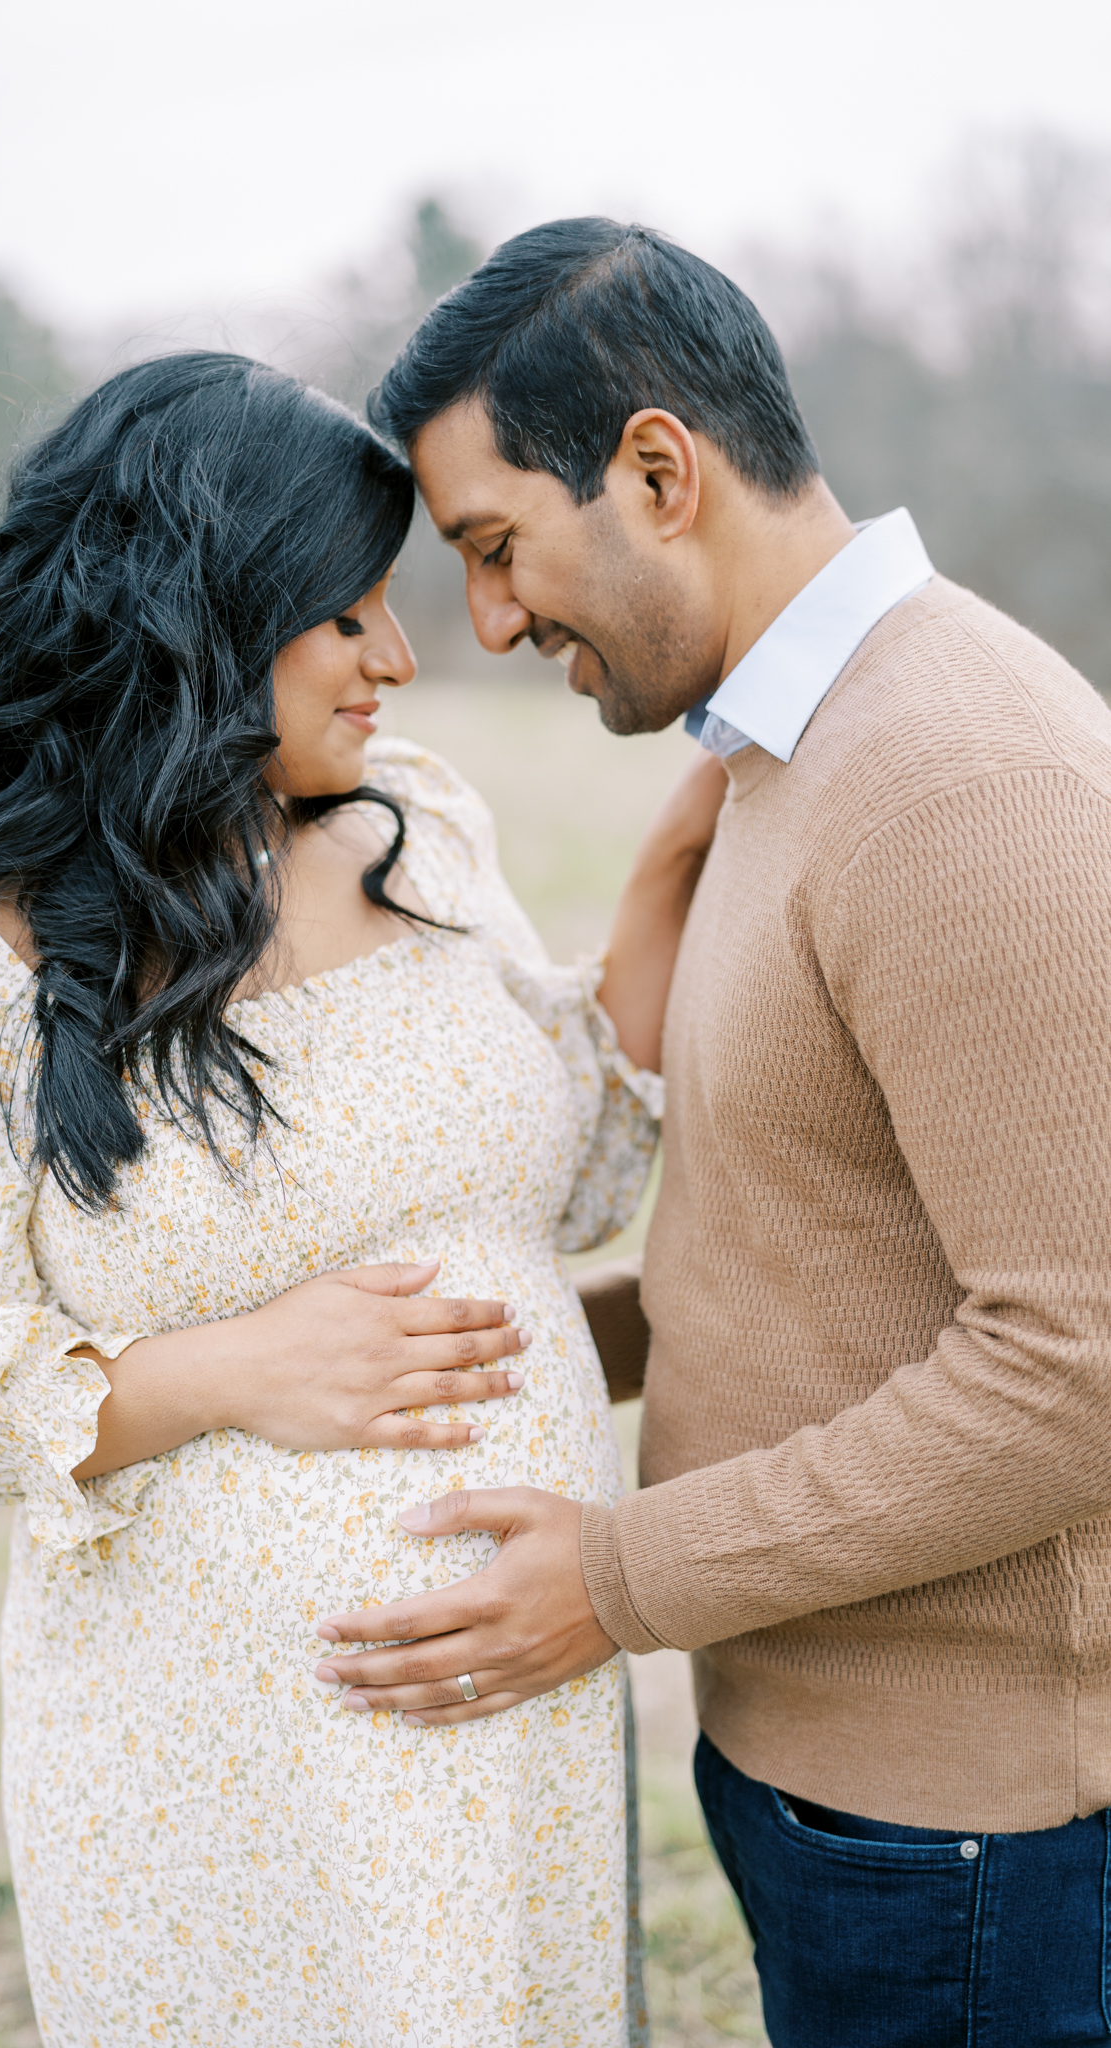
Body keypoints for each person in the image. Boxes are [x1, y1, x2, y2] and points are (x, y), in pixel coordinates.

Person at [0, 349, 728, 2048]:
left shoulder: (415, 829)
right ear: (201, 616)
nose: (398, 656)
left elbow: (571, 1164)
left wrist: (678, 852)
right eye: (348, 611)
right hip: (216, 1753)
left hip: (512, 1706)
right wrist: (236, 1368)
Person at [311, 219, 1111, 2046]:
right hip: (826, 1783)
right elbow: (804, 1242)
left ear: (657, 471)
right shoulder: (785, 752)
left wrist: (609, 1582)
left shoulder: (960, 782)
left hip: (975, 1844)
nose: (491, 625)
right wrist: (461, 1349)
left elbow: (1076, 1365)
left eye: (496, 550)